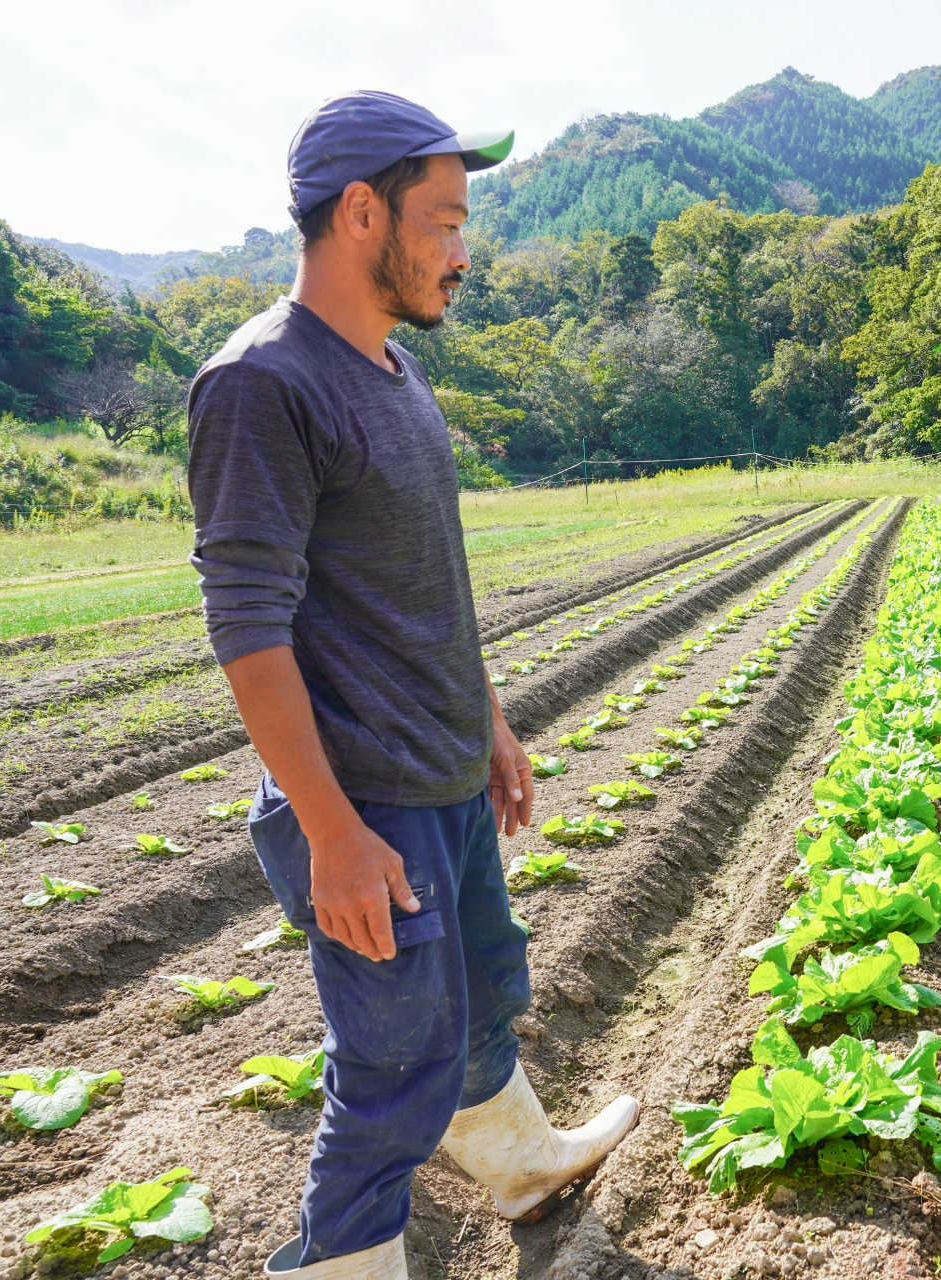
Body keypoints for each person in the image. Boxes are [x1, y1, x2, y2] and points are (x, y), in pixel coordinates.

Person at [186, 91, 638, 1280]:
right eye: (442, 222)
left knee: (486, 992)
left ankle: (527, 1159)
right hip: (367, 802)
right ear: (360, 211)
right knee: (392, 1075)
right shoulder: (261, 385)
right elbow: (245, 621)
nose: (462, 248)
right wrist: (333, 833)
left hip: (440, 776)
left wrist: (486, 722)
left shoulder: (394, 374)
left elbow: (427, 578)